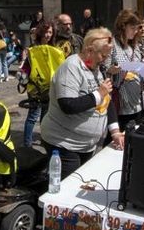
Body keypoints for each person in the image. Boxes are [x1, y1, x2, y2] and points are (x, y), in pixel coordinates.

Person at [40, 28, 120, 178]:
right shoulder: (71, 67)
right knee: (67, 185)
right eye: (103, 55)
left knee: (80, 180)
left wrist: (114, 131)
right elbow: (68, 105)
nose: (105, 59)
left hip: (86, 145)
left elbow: (106, 102)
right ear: (89, 50)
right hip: (64, 143)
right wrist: (98, 94)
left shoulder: (95, 67)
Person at [19, 21, 64, 147]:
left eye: (50, 32)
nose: (48, 35)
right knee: (33, 115)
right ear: (40, 33)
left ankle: (45, 141)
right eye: (46, 32)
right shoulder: (32, 50)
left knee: (45, 116)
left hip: (50, 88)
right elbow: (26, 68)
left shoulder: (56, 50)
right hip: (35, 87)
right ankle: (27, 145)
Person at [108, 9, 144, 133]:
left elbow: (141, 75)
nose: (135, 32)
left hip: (137, 103)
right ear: (123, 26)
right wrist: (112, 70)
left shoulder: (135, 46)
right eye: (133, 28)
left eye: (137, 29)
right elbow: (103, 70)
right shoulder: (112, 44)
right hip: (121, 105)